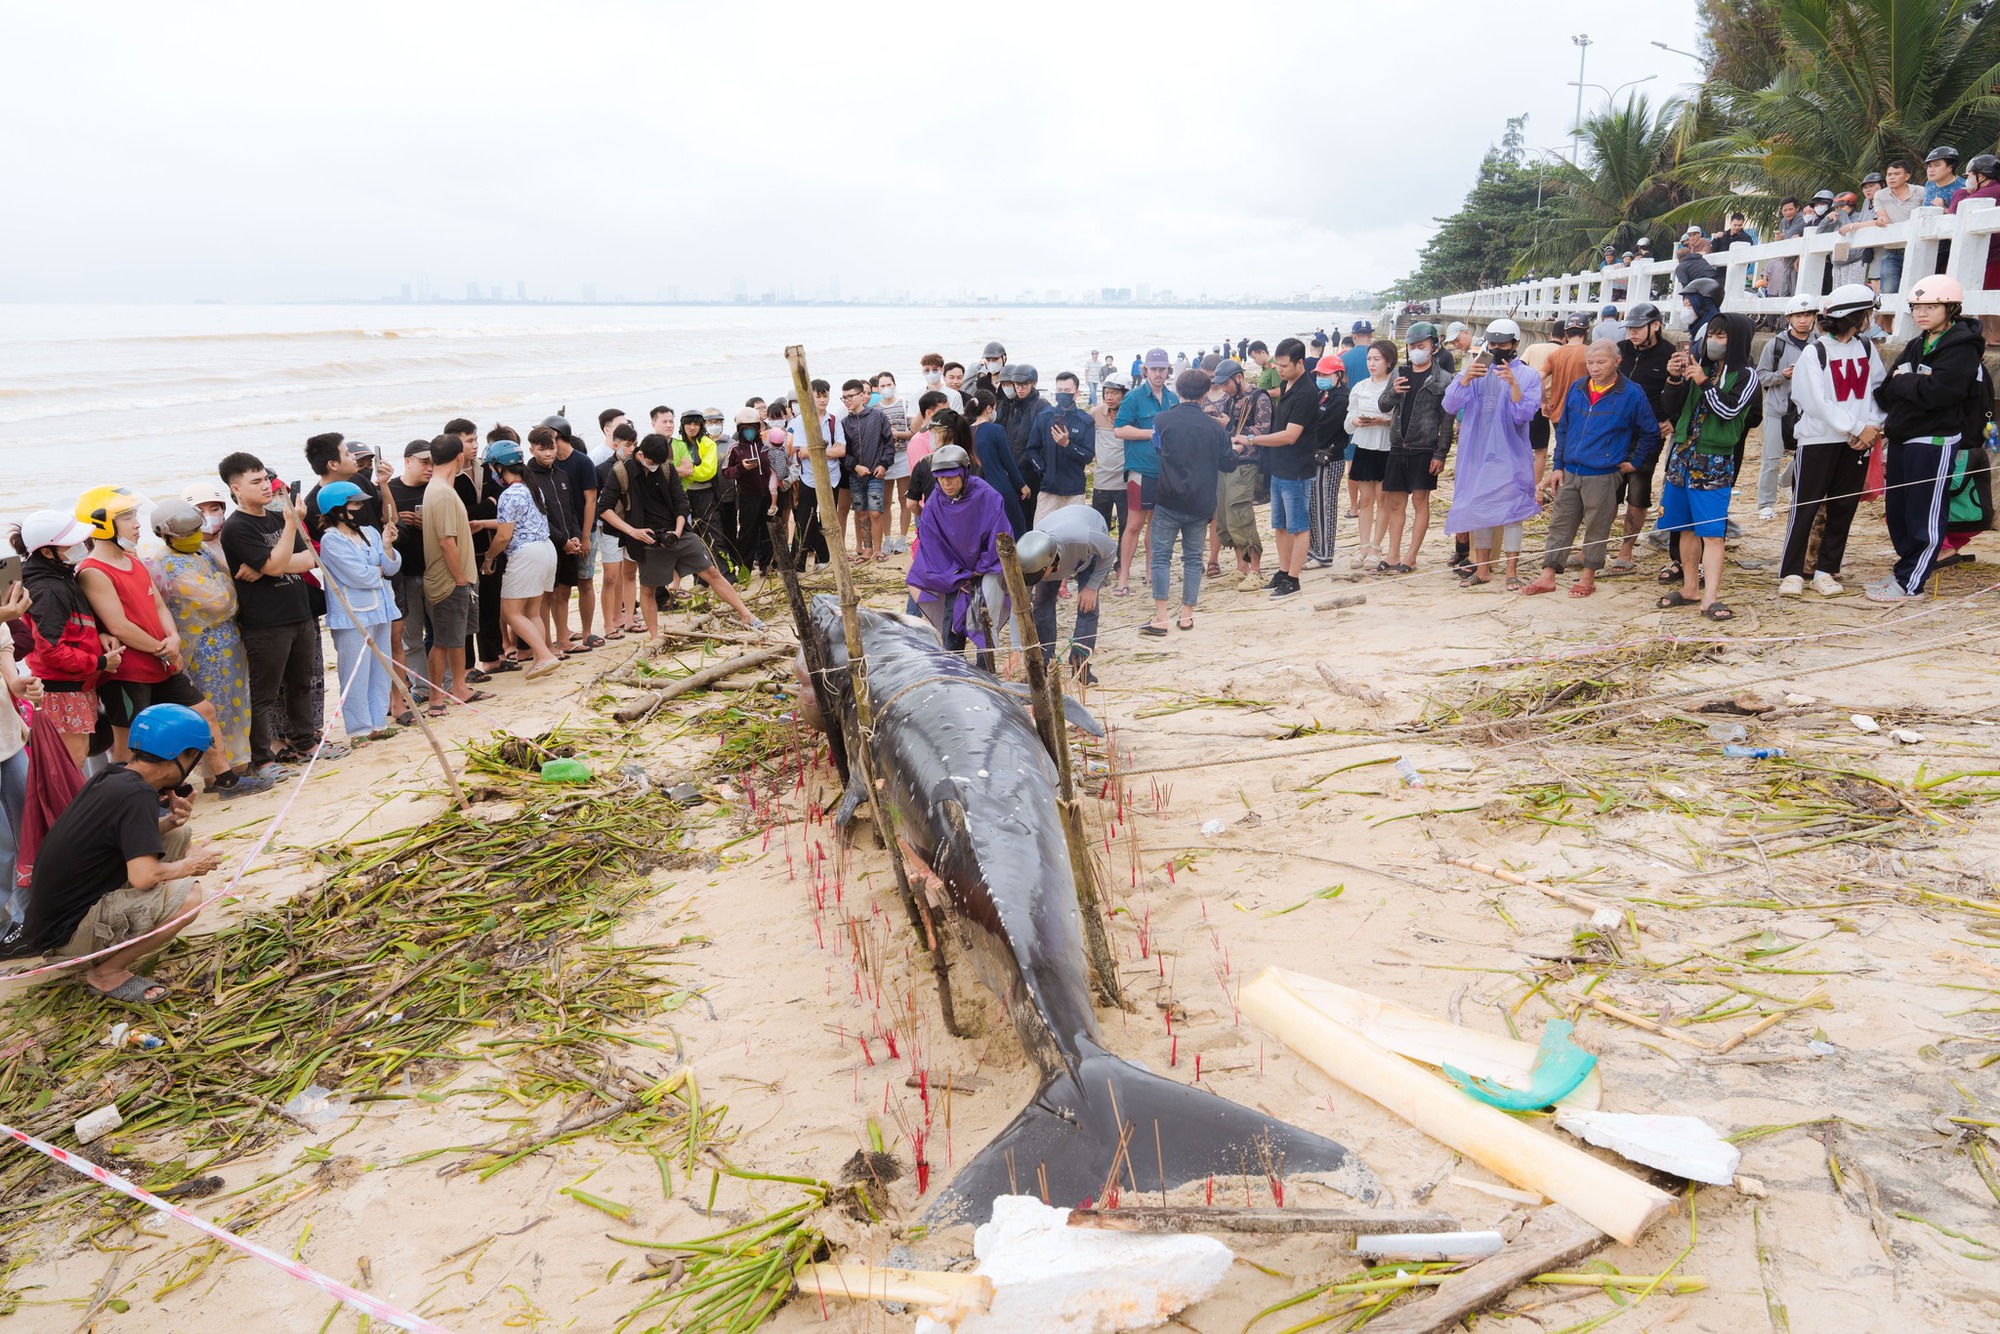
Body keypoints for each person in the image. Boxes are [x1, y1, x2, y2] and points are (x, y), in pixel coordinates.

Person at [2, 704, 229, 1004]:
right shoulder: (137, 795)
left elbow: (113, 836)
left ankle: (139, 921)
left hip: (52, 920)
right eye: (195, 758)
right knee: (188, 898)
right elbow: (143, 876)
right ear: (183, 755)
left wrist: (170, 821)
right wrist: (190, 865)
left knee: (177, 833)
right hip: (65, 936)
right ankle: (107, 971)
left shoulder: (117, 775)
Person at [73, 486, 230, 787]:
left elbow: (157, 603)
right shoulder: (92, 570)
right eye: (127, 517)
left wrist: (173, 639)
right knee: (127, 742)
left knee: (203, 712)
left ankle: (225, 780)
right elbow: (118, 626)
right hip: (129, 671)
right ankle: (125, 800)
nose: (136, 524)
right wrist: (163, 648)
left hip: (161, 662)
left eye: (134, 515)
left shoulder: (132, 559)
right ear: (101, 523)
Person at [1870, 274, 1985, 601]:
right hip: (1904, 436)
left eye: (1931, 306)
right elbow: (1885, 391)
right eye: (1916, 307)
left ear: (1950, 307)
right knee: (1899, 511)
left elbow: (1943, 392)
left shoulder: (1961, 347)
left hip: (1935, 439)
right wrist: (1913, 383)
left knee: (1925, 513)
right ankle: (1905, 569)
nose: (1921, 313)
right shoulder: (1918, 343)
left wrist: (1907, 382)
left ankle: (1910, 584)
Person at [1521, 340, 1658, 600]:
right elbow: (1563, 429)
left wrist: (1635, 462)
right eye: (1590, 363)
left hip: (1603, 472)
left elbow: (1650, 432)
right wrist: (1558, 466)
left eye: (1601, 362)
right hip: (1571, 469)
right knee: (1560, 522)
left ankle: (1588, 576)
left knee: (1598, 525)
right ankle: (1548, 574)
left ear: (1617, 362)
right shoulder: (1578, 387)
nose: (1594, 368)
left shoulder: (1631, 393)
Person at [219, 453, 328, 773]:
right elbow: (277, 563)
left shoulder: (277, 518)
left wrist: (269, 566)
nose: (267, 486)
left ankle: (305, 739)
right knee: (264, 693)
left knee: (301, 683)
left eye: (266, 478)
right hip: (265, 622)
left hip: (299, 611)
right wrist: (274, 560)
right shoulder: (236, 528)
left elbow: (309, 559)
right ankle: (262, 757)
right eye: (256, 482)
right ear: (236, 488)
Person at [144, 500, 262, 791]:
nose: (197, 534)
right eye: (189, 531)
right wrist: (224, 583)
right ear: (167, 535)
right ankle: (215, 775)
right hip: (202, 649)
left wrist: (223, 583)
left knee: (237, 703)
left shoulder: (201, 550)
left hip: (228, 640)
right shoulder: (168, 563)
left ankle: (240, 764)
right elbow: (220, 600)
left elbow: (227, 584)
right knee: (215, 708)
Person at [1782, 284, 1885, 597]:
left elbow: (1879, 391)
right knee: (1806, 506)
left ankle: (1827, 569)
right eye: (1866, 313)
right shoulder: (1816, 351)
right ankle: (1792, 572)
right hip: (1818, 441)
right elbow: (1812, 400)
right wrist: (1853, 425)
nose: (1869, 319)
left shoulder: (1867, 349)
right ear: (1853, 316)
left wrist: (1871, 426)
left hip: (1857, 442)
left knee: (1844, 507)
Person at [1657, 312, 1757, 621]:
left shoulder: (1745, 374)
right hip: (1683, 454)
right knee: (1684, 528)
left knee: (1713, 532)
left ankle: (1711, 596)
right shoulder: (1702, 366)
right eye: (1711, 335)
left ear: (1736, 340)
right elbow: (1671, 408)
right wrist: (1674, 379)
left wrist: (1702, 381)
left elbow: (1728, 410)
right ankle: (1690, 588)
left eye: (1721, 336)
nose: (1713, 342)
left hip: (1713, 461)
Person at [1441, 320, 1542, 588]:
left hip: (1511, 453)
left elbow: (1524, 415)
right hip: (1476, 452)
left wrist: (1513, 385)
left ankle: (1511, 571)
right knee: (1479, 509)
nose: (1496, 349)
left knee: (1512, 513)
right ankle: (1482, 569)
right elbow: (1450, 405)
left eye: (1502, 344)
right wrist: (1465, 378)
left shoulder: (1529, 376)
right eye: (1492, 344)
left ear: (1515, 345)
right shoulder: (1475, 370)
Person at [18, 510, 116, 767]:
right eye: (71, 544)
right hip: (60, 689)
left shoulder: (60, 575)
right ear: (47, 552)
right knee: (70, 760)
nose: (81, 547)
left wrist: (100, 634)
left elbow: (72, 630)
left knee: (75, 755)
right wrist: (99, 663)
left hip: (72, 684)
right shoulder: (48, 589)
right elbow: (51, 651)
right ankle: (70, 808)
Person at [1141, 369, 1236, 634]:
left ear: (1178, 391)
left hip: (1169, 498)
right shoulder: (1215, 428)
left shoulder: (1162, 420)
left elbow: (1158, 448)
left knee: (1161, 557)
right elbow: (1228, 463)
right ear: (1206, 394)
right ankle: (1186, 615)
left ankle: (1160, 617)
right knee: (1193, 559)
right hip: (1201, 501)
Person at [314, 481, 403, 741]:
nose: (360, 507)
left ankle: (378, 724)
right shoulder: (331, 540)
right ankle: (359, 729)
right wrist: (379, 568)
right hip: (353, 615)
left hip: (382, 609)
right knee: (355, 672)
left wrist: (387, 545)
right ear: (338, 509)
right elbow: (360, 576)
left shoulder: (370, 532)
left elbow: (392, 567)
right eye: (355, 503)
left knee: (381, 667)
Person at [906, 444, 1010, 663]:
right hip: (954, 574)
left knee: (986, 624)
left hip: (986, 569)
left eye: (951, 477)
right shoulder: (935, 502)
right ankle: (953, 671)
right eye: (940, 478)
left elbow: (999, 537)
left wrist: (977, 572)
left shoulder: (987, 496)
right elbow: (931, 545)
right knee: (951, 623)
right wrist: (955, 575)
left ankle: (986, 671)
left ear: (964, 471)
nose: (946, 483)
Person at [419, 436, 488, 715]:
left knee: (458, 637)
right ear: (459, 457)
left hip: (461, 576)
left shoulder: (441, 488)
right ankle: (436, 696)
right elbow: (446, 542)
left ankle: (460, 687)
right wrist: (460, 578)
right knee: (443, 639)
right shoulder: (442, 492)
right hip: (450, 580)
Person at [482, 439, 564, 673]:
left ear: (499, 467)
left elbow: (503, 536)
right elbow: (520, 521)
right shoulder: (532, 487)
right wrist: (484, 523)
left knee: (510, 613)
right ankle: (542, 655)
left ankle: (544, 655)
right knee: (532, 611)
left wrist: (489, 557)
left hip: (526, 554)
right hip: (546, 549)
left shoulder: (508, 495)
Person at [1380, 324, 1452, 573]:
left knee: (1420, 501)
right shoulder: (1399, 373)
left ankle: (1411, 556)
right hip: (1398, 445)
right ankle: (1392, 555)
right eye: (1412, 347)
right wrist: (1394, 392)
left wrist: (1440, 454)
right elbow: (1383, 405)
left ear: (1433, 346)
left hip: (1425, 447)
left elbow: (1447, 420)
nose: (1416, 351)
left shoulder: (1444, 379)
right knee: (1395, 503)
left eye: (1421, 347)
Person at [1019, 507, 1115, 687]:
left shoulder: (1084, 537)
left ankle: (1081, 665)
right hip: (1059, 545)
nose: (1038, 579)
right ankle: (1044, 664)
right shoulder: (1032, 555)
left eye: (1040, 574)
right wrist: (1018, 650)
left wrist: (1092, 586)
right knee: (1041, 605)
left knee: (1088, 606)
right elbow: (1021, 609)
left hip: (1087, 549)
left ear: (1050, 562)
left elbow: (1110, 550)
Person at [1113, 349, 1178, 593]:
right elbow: (1119, 430)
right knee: (1134, 525)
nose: (1158, 373)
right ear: (1146, 370)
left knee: (1157, 524)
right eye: (1154, 369)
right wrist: (1150, 434)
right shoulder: (1134, 397)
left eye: (1162, 369)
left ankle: (1151, 572)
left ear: (1168, 370)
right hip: (1140, 469)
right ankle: (1123, 577)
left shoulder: (1172, 399)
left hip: (1166, 470)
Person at [1755, 295, 1821, 519]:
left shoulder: (1820, 343)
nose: (1803, 320)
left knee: (1806, 455)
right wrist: (1782, 375)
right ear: (1789, 318)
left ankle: (1786, 481)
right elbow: (1761, 376)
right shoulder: (1776, 345)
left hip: (1809, 410)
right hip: (1778, 408)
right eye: (1798, 316)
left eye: (1807, 315)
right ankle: (1765, 503)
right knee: (1771, 459)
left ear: (1814, 317)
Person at [1208, 358, 1271, 589]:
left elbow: (1263, 430)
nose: (1223, 388)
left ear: (1239, 377)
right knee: (1225, 515)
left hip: (1247, 462)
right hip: (1226, 461)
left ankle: (1255, 569)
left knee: (1240, 511)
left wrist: (1229, 428)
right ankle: (1240, 567)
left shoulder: (1259, 398)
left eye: (1226, 383)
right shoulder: (1229, 400)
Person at [1342, 339, 1400, 571]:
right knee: (1365, 500)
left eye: (1377, 359)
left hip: (1387, 447)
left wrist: (1382, 421)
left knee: (1383, 498)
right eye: (1369, 359)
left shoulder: (1395, 386)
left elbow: (1400, 421)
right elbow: (1348, 422)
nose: (1372, 363)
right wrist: (1357, 421)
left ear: (1389, 361)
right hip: (1364, 446)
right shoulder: (1360, 387)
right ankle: (1364, 545)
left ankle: (1376, 547)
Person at [384, 440, 435, 702]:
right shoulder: (389, 489)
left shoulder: (437, 488)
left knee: (442, 634)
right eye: (424, 462)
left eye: (433, 462)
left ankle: (444, 684)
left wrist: (429, 523)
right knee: (411, 638)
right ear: (407, 461)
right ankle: (421, 687)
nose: (430, 467)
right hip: (404, 575)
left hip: (436, 571)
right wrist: (399, 523)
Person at [543, 416, 600, 650]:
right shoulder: (548, 463)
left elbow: (591, 500)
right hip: (559, 534)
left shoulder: (582, 462)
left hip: (585, 529)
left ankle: (587, 632)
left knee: (586, 582)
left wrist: (585, 535)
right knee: (560, 589)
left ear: (557, 436)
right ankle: (563, 634)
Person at [1304, 353, 1351, 572]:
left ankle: (1324, 553)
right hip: (1317, 457)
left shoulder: (1340, 398)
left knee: (1325, 506)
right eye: (1319, 374)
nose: (1321, 377)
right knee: (1314, 505)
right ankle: (1315, 548)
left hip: (1329, 459)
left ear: (1338, 375)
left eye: (1325, 374)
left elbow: (1324, 430)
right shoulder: (1324, 394)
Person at [1027, 372, 1096, 521]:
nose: (1062, 394)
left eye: (1067, 391)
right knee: (1041, 534)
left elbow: (1088, 456)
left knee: (1072, 538)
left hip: (1074, 491)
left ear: (1076, 393)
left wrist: (1068, 445)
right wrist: (1042, 470)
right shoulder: (1044, 417)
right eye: (1059, 390)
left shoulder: (1086, 421)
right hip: (1048, 490)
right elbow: (1031, 449)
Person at [841, 379, 897, 560]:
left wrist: (884, 465)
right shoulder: (844, 423)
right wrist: (855, 467)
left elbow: (889, 444)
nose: (847, 400)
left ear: (861, 395)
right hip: (855, 475)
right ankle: (867, 549)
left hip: (875, 473)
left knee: (875, 512)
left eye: (850, 396)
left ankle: (878, 549)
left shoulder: (878, 416)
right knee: (861, 512)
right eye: (844, 398)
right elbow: (844, 453)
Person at [596, 421, 640, 637]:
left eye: (635, 444)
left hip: (633, 527)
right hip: (610, 528)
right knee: (611, 576)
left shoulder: (637, 467)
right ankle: (609, 624)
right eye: (628, 445)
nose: (632, 449)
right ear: (615, 445)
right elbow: (598, 504)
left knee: (630, 573)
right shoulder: (602, 469)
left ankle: (629, 618)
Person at [1539, 315, 1593, 490]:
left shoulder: (1555, 354)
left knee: (1562, 451)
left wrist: (1544, 402)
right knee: (1581, 453)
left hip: (1557, 412)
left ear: (1566, 333)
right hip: (1583, 413)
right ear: (1587, 331)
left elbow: (1538, 377)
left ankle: (1560, 487)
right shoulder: (1590, 354)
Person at [966, 389, 1029, 535]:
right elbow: (1008, 462)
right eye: (993, 408)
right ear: (989, 408)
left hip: (976, 490)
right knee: (1017, 530)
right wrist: (1022, 485)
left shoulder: (966, 431)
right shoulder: (996, 430)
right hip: (1000, 488)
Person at [724, 408, 775, 575]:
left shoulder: (767, 447)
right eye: (745, 429)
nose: (749, 432)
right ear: (740, 430)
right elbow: (726, 472)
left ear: (758, 427)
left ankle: (766, 566)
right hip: (748, 496)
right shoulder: (735, 449)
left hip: (767, 495)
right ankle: (744, 568)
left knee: (768, 530)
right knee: (747, 533)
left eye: (752, 427)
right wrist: (741, 467)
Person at [873, 372, 915, 555]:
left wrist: (897, 434)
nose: (885, 388)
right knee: (885, 501)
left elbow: (914, 432)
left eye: (888, 384)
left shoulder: (905, 405)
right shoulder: (875, 409)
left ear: (894, 384)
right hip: (885, 459)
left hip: (903, 456)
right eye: (882, 386)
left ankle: (903, 538)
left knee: (904, 499)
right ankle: (887, 538)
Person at [1002, 364, 1048, 518]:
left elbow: (1044, 444)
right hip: (1014, 472)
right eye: (1016, 385)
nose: (1019, 389)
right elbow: (1009, 438)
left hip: (1032, 474)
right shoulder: (1013, 405)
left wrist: (1038, 471)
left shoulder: (1041, 406)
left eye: (1024, 385)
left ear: (1034, 383)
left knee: (1029, 519)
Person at [1090, 374, 1129, 543]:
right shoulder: (1096, 414)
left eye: (1115, 393)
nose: (1109, 397)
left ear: (1124, 394)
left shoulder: (1131, 415)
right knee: (1099, 526)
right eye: (1107, 393)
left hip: (1125, 482)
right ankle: (1100, 563)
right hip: (1101, 481)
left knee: (1126, 527)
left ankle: (1121, 562)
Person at [1766, 198, 1806, 299]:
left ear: (1797, 208)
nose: (1787, 212)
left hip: (1797, 265)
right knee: (1783, 295)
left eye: (1790, 209)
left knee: (1795, 296)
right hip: (1787, 264)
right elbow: (1782, 238)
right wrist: (1780, 238)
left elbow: (1789, 236)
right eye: (1785, 210)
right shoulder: (1783, 221)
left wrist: (1783, 237)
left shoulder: (1801, 218)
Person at [1924, 144, 1966, 211]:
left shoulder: (1963, 187)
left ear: (1950, 168)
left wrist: (1943, 208)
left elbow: (1967, 215)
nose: (1931, 170)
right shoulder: (1929, 184)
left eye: (1937, 165)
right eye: (1929, 166)